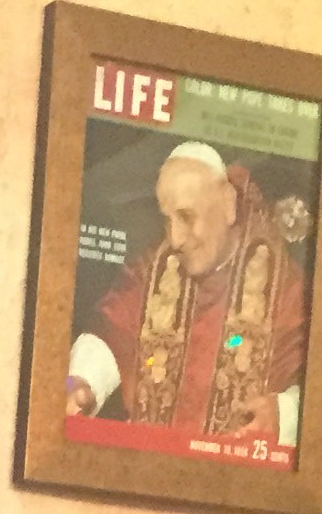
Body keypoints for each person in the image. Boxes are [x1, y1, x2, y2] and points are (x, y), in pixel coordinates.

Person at [66, 139, 308, 456]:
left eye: (186, 216)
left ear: (227, 205)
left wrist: (284, 415)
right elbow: (112, 331)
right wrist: (79, 383)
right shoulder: (153, 268)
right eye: (168, 219)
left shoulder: (285, 287)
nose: (176, 239)